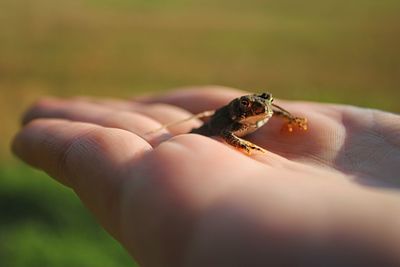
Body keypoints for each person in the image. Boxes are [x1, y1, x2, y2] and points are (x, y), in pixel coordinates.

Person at [12, 86, 400, 266]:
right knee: (197, 136)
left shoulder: (261, 109)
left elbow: (269, 109)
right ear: (241, 107)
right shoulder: (232, 116)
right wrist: (246, 145)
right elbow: (228, 133)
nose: (262, 108)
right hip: (211, 128)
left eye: (263, 102)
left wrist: (288, 116)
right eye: (254, 104)